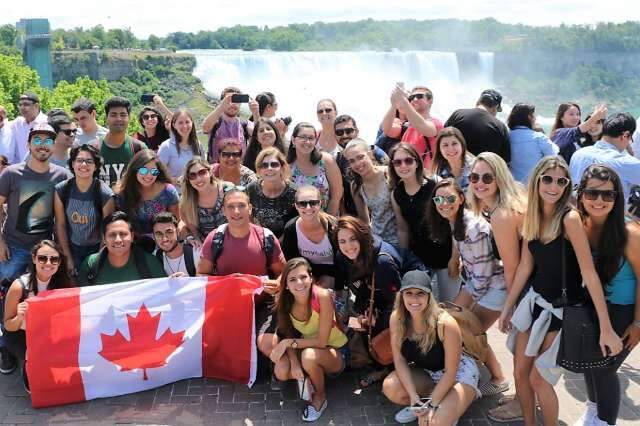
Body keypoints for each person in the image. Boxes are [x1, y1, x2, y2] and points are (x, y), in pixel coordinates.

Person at [497, 156, 623, 426]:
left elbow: (588, 274)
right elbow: (524, 268)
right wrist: (508, 307)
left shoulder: (569, 218)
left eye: (561, 181)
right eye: (548, 179)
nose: (553, 186)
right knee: (520, 373)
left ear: (567, 185)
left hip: (560, 310)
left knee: (538, 379)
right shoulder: (531, 215)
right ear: (537, 181)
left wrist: (605, 326)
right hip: (534, 304)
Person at [427, 178, 509, 396]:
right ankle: (491, 372)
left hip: (495, 289)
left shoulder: (474, 229)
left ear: (461, 199)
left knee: (469, 331)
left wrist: (459, 304)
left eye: (450, 198)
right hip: (479, 283)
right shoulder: (456, 221)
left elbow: (483, 278)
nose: (444, 203)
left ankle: (499, 378)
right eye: (439, 199)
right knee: (466, 328)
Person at [573, 164, 640, 426]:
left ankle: (604, 422)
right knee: (592, 365)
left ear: (617, 198)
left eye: (607, 195)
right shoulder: (578, 223)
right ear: (581, 195)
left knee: (604, 369)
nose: (599, 201)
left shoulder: (630, 233)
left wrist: (637, 324)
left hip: (624, 310)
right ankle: (593, 412)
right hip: (592, 305)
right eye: (592, 193)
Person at [382, 270, 480, 425]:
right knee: (391, 387)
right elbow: (399, 360)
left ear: (429, 295)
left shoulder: (445, 323)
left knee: (432, 423)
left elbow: (451, 372)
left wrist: (432, 405)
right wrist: (414, 397)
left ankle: (451, 401)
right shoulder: (397, 318)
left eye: (420, 293)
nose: (414, 299)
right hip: (429, 373)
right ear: (402, 296)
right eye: (409, 293)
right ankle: (426, 402)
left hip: (457, 376)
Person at [269, 257, 349, 422]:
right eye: (292, 279)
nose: (299, 282)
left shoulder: (322, 296)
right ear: (286, 285)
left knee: (308, 357)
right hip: (306, 347)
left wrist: (287, 344)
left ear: (311, 278)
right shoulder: (285, 301)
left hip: (335, 350)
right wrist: (295, 363)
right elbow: (287, 334)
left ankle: (320, 397)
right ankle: (309, 376)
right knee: (281, 371)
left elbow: (321, 342)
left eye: (303, 277)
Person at [333, 216, 405, 387]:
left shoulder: (382, 261)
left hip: (399, 294)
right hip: (371, 292)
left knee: (379, 327)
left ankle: (387, 367)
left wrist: (376, 320)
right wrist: (344, 312)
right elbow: (340, 287)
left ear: (362, 236)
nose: (348, 246)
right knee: (357, 322)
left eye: (353, 239)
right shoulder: (342, 256)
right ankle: (376, 360)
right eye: (342, 241)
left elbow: (398, 301)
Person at [0, 123, 71, 288]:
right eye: (37, 140)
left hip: (45, 252)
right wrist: (0, 242)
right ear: (28, 144)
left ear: (53, 146)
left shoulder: (63, 176)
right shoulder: (11, 173)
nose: (42, 145)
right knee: (5, 291)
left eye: (48, 141)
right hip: (12, 248)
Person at [389, 143, 460, 302]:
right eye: (397, 162)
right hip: (419, 259)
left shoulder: (436, 184)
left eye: (408, 160)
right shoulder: (396, 193)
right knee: (426, 305)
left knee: (451, 304)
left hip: (445, 255)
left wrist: (455, 257)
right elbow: (403, 229)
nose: (403, 165)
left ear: (417, 162)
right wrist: (404, 260)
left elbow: (454, 221)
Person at [2, 240, 72, 391]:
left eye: (54, 259)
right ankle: (27, 367)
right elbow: (8, 325)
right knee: (36, 361)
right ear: (34, 258)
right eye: (42, 258)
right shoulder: (19, 286)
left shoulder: (63, 284)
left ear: (59, 262)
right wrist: (20, 316)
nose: (48, 263)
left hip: (48, 332)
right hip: (21, 334)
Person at [54, 145, 115, 275]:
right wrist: (68, 257)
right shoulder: (62, 189)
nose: (84, 164)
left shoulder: (104, 193)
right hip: (70, 248)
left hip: (96, 249)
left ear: (96, 166)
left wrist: (99, 259)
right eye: (79, 160)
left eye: (89, 161)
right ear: (72, 163)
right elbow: (60, 225)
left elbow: (107, 230)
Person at [344, 138, 405, 248]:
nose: (357, 163)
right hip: (378, 241)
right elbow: (364, 220)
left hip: (401, 236)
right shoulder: (356, 186)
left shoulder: (389, 173)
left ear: (370, 154)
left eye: (360, 157)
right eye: (352, 161)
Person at [77, 211, 166, 285]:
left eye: (123, 234)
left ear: (132, 236)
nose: (118, 240)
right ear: (104, 239)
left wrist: (178, 281)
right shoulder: (90, 265)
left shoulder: (150, 263)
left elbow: (166, 295)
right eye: (112, 235)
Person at [115, 149, 180, 250]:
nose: (149, 175)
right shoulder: (123, 194)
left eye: (153, 171)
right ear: (135, 170)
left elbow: (176, 222)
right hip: (133, 246)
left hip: (164, 244)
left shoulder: (168, 192)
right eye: (143, 170)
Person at [570, 112, 640, 206]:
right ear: (625, 135)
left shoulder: (578, 154)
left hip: (577, 215)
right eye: (630, 138)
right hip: (611, 218)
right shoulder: (626, 162)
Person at [280, 185, 339, 289]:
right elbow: (292, 261)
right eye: (302, 204)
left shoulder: (334, 227)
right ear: (296, 206)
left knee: (321, 292)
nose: (308, 207)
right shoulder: (291, 229)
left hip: (333, 272)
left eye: (313, 203)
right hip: (306, 273)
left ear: (320, 203)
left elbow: (343, 260)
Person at [287, 123, 342, 216]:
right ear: (293, 140)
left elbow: (336, 196)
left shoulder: (326, 160)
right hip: (297, 222)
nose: (307, 142)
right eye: (303, 137)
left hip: (326, 219)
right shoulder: (287, 166)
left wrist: (328, 222)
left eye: (311, 138)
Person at [92, 97, 148, 187]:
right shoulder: (93, 148)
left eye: (123, 115)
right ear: (106, 118)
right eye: (113, 115)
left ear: (129, 117)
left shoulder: (139, 148)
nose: (118, 119)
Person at [382, 85, 442, 169]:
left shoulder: (436, 123)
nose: (414, 99)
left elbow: (424, 127)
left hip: (426, 178)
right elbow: (386, 129)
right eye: (411, 97)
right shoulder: (407, 126)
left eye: (419, 96)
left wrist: (405, 102)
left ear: (430, 101)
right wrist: (393, 105)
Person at [444, 89, 510, 162]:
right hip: (482, 171)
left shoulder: (458, 114)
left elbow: (442, 137)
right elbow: (505, 159)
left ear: (478, 102)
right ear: (495, 108)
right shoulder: (500, 127)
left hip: (452, 168)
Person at [247, 147, 297, 238]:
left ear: (282, 168)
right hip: (259, 238)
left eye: (274, 164)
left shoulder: (294, 191)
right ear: (259, 170)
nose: (269, 168)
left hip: (288, 240)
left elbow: (297, 223)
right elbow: (248, 218)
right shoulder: (252, 189)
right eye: (264, 165)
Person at [179, 157, 230, 247]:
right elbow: (195, 233)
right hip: (207, 246)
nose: (198, 179)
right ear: (188, 180)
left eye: (202, 172)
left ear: (210, 172)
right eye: (192, 175)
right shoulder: (187, 202)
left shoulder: (226, 189)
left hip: (232, 240)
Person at [507, 103, 558, 184]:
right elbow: (554, 157)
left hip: (511, 187)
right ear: (529, 117)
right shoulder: (539, 137)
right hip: (534, 187)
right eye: (534, 115)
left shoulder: (506, 137)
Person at [202, 86, 253, 164]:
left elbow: (260, 135)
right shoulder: (215, 122)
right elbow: (205, 128)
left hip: (239, 172)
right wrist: (221, 107)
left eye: (236, 101)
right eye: (229, 100)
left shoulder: (245, 124)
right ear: (222, 102)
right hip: (217, 173)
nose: (233, 104)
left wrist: (255, 113)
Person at [157, 109, 204, 181]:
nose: (185, 126)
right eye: (180, 123)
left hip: (196, 190)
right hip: (175, 190)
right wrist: (176, 180)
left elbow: (203, 168)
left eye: (187, 122)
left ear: (192, 123)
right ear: (174, 125)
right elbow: (158, 172)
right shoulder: (166, 146)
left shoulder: (198, 145)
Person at [152, 212, 200, 277]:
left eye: (169, 232)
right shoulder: (154, 258)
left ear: (177, 232)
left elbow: (209, 282)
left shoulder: (196, 252)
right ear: (154, 237)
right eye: (159, 234)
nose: (165, 239)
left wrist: (188, 281)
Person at [430, 127, 476, 191]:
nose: (450, 149)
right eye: (445, 145)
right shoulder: (437, 174)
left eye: (454, 143)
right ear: (439, 150)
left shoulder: (476, 166)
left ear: (462, 145)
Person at [10, 93, 48, 163]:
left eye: (26, 104)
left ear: (36, 106)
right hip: (22, 170)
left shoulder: (47, 122)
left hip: (43, 168)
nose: (22, 107)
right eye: (20, 105)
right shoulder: (17, 123)